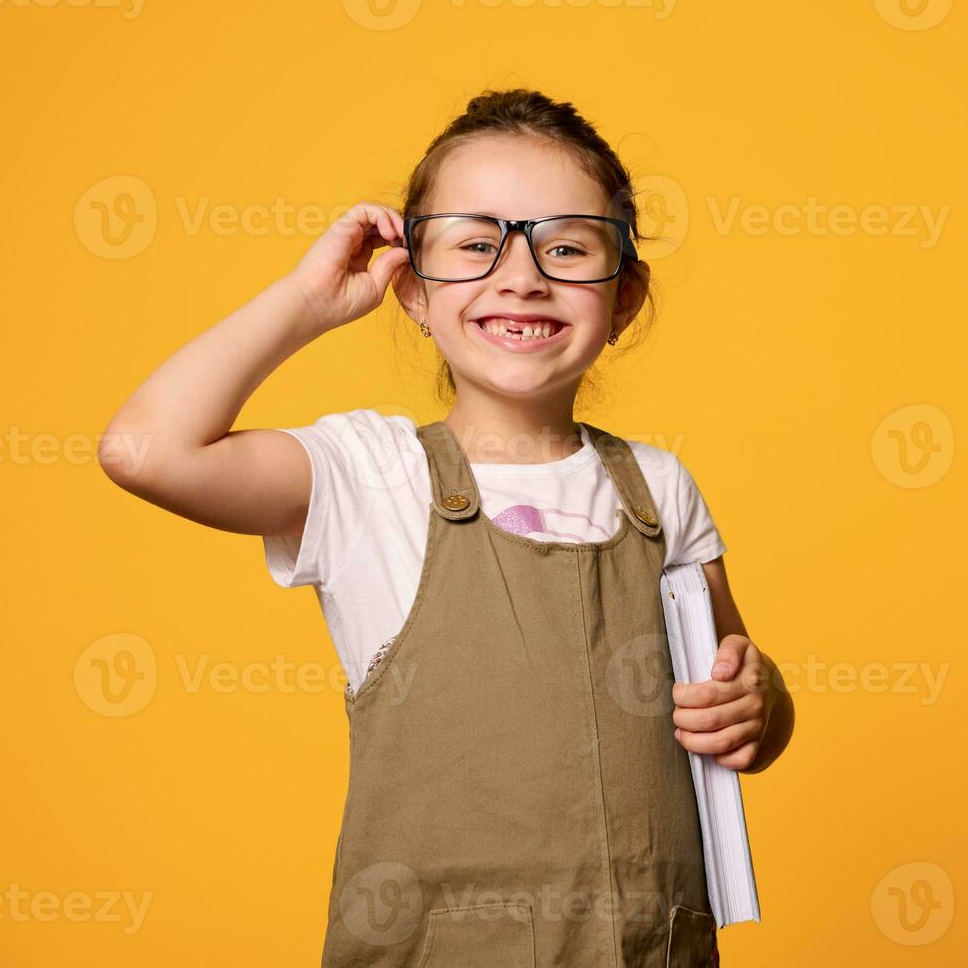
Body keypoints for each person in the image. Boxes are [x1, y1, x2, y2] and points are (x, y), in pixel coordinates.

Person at [100, 87, 794, 967]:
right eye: (475, 244)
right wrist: (307, 301)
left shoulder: (658, 488)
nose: (521, 274)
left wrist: (758, 702)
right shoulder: (370, 476)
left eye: (567, 246)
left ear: (623, 297)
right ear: (412, 292)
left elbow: (744, 717)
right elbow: (144, 450)